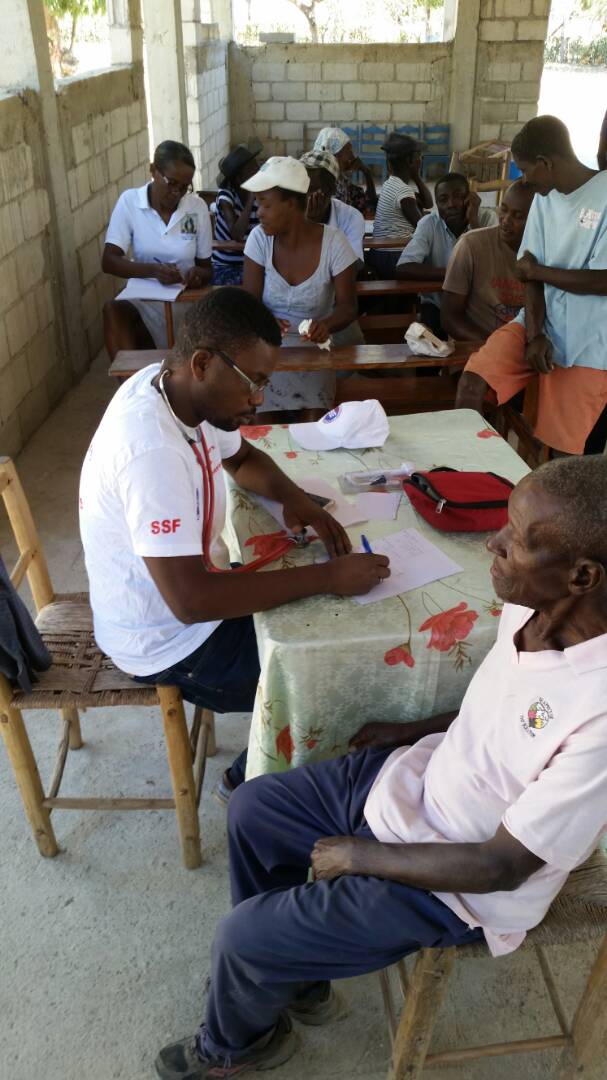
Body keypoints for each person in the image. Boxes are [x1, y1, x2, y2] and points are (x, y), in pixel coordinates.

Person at [155, 453, 607, 1080]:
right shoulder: (532, 601)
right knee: (255, 808)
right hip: (424, 780)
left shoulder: (600, 714)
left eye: (519, 540)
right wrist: (410, 731)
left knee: (242, 939)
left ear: (582, 576)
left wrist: (356, 857)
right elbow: (499, 707)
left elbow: (502, 866)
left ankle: (232, 1049)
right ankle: (294, 975)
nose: (494, 544)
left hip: (464, 885)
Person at [80, 289, 389, 800]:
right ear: (202, 363)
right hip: (166, 643)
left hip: (192, 599)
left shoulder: (178, 390)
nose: (259, 399)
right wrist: (328, 577)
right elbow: (192, 602)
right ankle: (248, 781)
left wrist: (297, 501)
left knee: (331, 623)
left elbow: (243, 460)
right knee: (337, 671)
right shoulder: (150, 449)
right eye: (255, 383)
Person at [456, 116, 607, 456]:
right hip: (539, 322)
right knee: (472, 385)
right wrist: (535, 333)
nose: (522, 179)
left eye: (524, 170)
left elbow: (602, 279)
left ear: (545, 163)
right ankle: (467, 479)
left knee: (564, 453)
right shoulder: (543, 198)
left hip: (589, 343)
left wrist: (540, 271)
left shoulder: (604, 194)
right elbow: (528, 274)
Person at [241, 157, 361, 416]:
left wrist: (325, 325)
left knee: (315, 425)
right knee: (265, 428)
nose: (258, 212)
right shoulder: (259, 240)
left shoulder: (334, 243)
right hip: (267, 349)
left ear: (292, 204)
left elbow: (348, 307)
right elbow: (248, 304)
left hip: (315, 352)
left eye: (266, 204)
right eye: (258, 204)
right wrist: (265, 321)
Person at [102, 140, 212, 360]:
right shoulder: (130, 202)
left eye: (184, 187)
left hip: (185, 300)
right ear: (153, 171)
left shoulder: (196, 207)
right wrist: (153, 271)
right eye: (171, 182)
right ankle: (132, 387)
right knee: (113, 311)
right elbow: (109, 261)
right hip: (145, 301)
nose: (177, 192)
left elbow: (207, 269)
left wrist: (197, 276)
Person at [395, 172, 497, 337]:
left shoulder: (486, 219)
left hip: (478, 303)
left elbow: (493, 265)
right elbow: (402, 268)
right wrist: (456, 274)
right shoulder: (428, 223)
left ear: (470, 198)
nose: (451, 204)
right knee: (433, 349)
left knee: (487, 345)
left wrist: (474, 222)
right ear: (437, 205)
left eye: (458, 196)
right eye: (443, 200)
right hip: (438, 304)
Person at [441, 180, 534, 342]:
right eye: (503, 210)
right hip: (478, 349)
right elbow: (450, 318)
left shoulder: (550, 253)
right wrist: (494, 346)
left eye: (518, 216)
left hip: (527, 351)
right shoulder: (471, 245)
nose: (505, 220)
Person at [370, 132, 433, 278]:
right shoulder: (403, 191)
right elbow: (422, 227)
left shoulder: (391, 183)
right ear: (410, 161)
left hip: (381, 253)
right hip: (394, 256)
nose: (421, 159)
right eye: (419, 156)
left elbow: (428, 203)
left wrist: (415, 176)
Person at [300, 149, 365, 263]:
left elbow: (354, 265)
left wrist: (315, 227)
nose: (303, 195)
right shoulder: (290, 213)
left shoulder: (351, 217)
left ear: (332, 189)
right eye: (300, 187)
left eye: (311, 188)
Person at [212, 142, 262, 286]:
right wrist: (250, 200)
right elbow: (236, 234)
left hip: (252, 263)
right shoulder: (226, 196)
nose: (258, 170)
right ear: (240, 179)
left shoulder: (262, 195)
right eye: (253, 169)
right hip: (224, 266)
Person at [313, 127, 377, 215]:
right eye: (348, 151)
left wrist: (367, 172)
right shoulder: (325, 187)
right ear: (333, 155)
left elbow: (370, 204)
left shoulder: (342, 181)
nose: (353, 157)